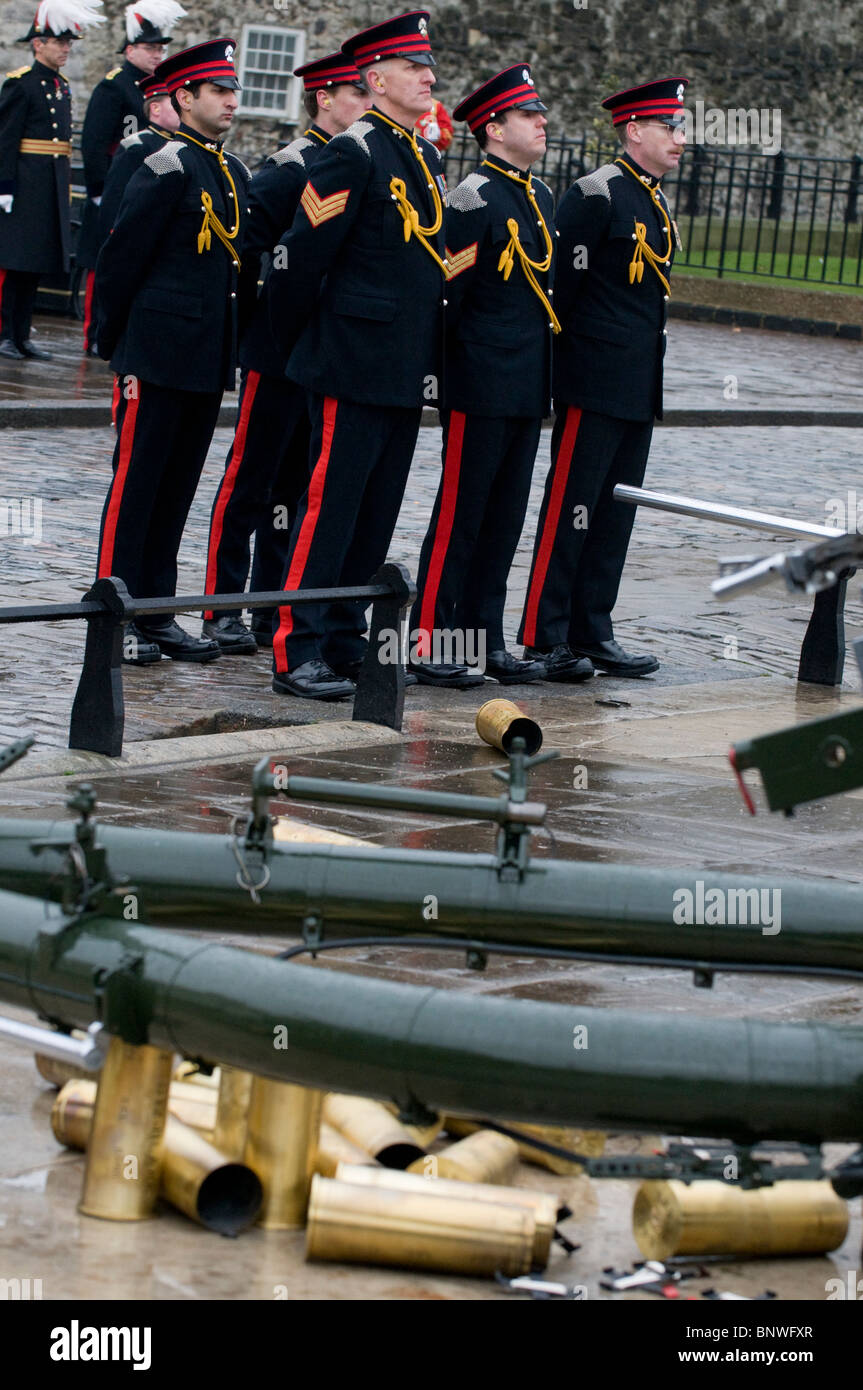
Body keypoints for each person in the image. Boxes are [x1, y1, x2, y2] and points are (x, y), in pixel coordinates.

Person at [266, 10, 447, 700]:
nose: (428, 77)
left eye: (426, 67)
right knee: (329, 508)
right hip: (349, 358)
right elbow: (299, 260)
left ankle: (344, 640)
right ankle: (296, 646)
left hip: (401, 363)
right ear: (375, 79)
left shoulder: (420, 154)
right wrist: (300, 349)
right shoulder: (355, 151)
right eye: (413, 68)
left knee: (374, 511)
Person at [200, 50, 371, 655]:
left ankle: (274, 605)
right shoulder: (287, 167)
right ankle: (221, 604)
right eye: (357, 93)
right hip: (276, 352)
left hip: (322, 355)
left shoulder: (364, 162)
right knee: (250, 478)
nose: (368, 103)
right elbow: (249, 256)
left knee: (297, 491)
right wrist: (268, 324)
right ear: (324, 99)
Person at [518, 76, 689, 679]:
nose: (681, 139)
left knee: (614, 512)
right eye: (671, 127)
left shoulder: (654, 198)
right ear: (635, 129)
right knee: (572, 507)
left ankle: (594, 628)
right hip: (592, 379)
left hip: (636, 384)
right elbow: (560, 289)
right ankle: (546, 632)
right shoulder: (596, 194)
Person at [408, 64, 570, 689]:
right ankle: (429, 640)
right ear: (495, 129)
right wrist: (445, 377)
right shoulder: (472, 198)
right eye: (529, 116)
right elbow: (450, 293)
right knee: (461, 514)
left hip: (527, 382)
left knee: (504, 517)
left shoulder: (540, 195)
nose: (542, 123)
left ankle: (487, 637)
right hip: (479, 379)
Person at [94, 38, 251, 665]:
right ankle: (114, 615)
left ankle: (156, 612)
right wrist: (120, 350)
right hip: (153, 353)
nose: (231, 102)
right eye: (218, 91)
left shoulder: (232, 171)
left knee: (176, 489)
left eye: (233, 91)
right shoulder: (163, 165)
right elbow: (121, 261)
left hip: (202, 358)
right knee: (136, 489)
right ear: (183, 97)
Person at [77, 0, 187, 354]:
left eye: (161, 48)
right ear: (130, 49)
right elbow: (94, 143)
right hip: (115, 185)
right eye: (150, 48)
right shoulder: (115, 86)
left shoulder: (158, 86)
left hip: (144, 185)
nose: (158, 54)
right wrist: (98, 190)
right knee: (102, 260)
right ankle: (94, 333)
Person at [0, 0, 105, 360]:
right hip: (25, 182)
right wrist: (5, 186)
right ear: (38, 44)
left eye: (68, 43)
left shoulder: (62, 86)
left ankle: (22, 335)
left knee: (36, 264)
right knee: (15, 263)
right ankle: (5, 335)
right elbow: (6, 139)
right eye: (58, 42)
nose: (65, 48)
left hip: (50, 184)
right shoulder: (21, 84)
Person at [97, 71, 180, 241]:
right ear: (155, 108)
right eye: (174, 103)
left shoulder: (180, 145)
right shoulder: (137, 146)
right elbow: (116, 198)